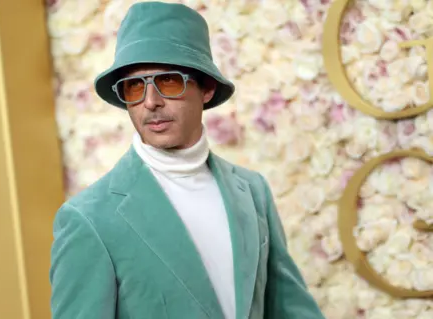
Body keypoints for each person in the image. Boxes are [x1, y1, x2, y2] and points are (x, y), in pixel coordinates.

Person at [49, 2, 326, 319]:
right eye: (135, 86)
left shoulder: (253, 191)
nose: (150, 102)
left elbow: (291, 309)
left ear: (206, 87)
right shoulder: (89, 219)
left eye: (168, 81)